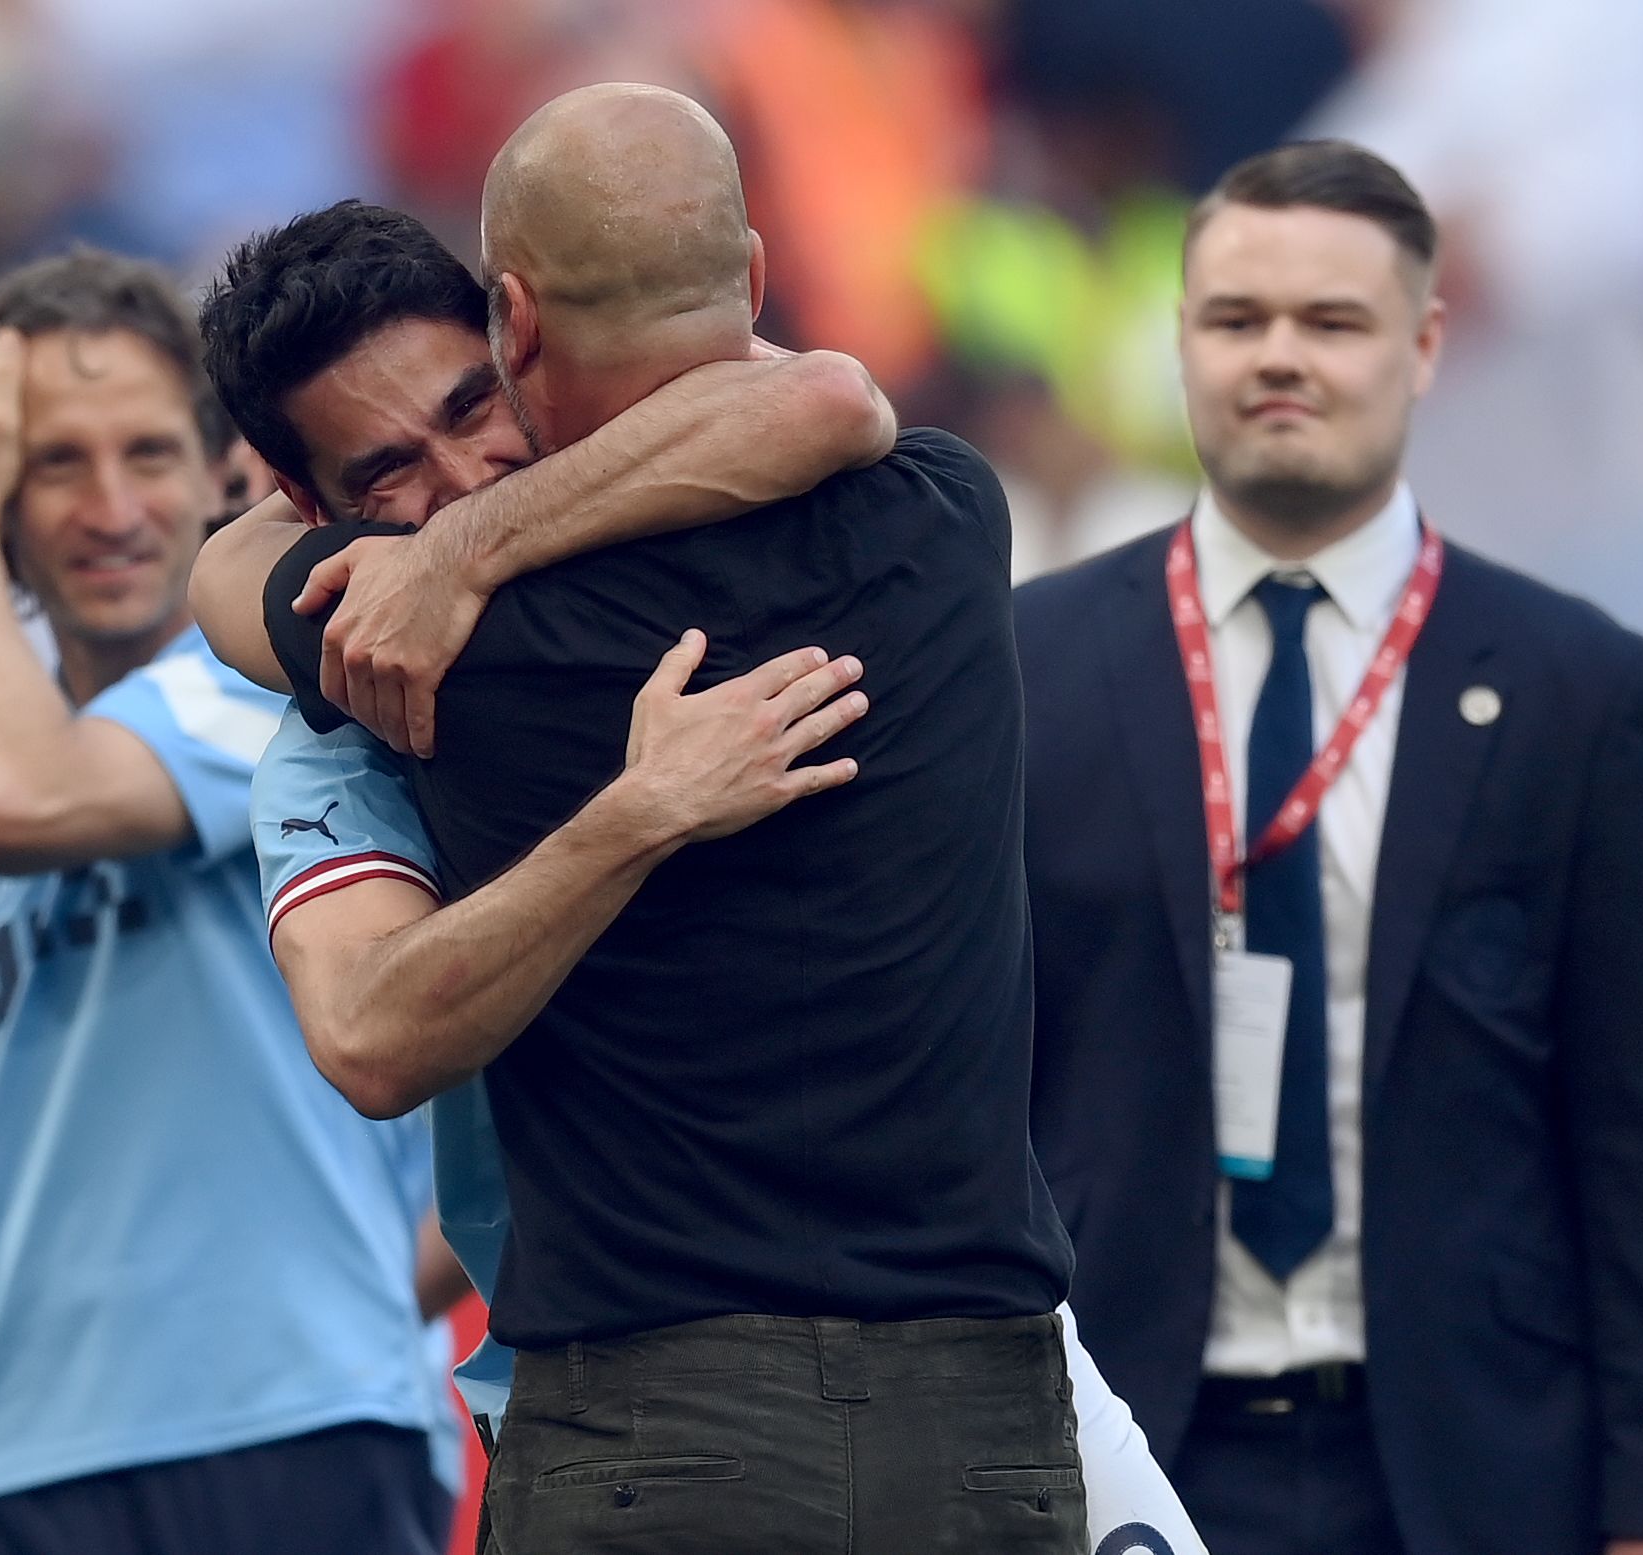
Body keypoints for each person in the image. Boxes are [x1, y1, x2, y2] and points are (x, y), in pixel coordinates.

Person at [193, 196, 1203, 1554]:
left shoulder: (723, 526)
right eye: (391, 473)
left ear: (522, 341)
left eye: (472, 401)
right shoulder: (347, 721)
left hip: (960, 1342)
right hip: (622, 1376)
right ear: (310, 507)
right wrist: (635, 815)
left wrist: (453, 547)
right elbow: (369, 1032)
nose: (466, 468)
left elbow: (828, 399)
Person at [1014, 140, 1643, 1555]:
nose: (1278, 357)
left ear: (1424, 345)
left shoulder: (1579, 692)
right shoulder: (1026, 668)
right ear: (1180, 344)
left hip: (1473, 1468)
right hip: (1114, 1457)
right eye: (1236, 319)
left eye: (1330, 322)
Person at [0, 250, 455, 1555]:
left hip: (285, 1437)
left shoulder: (277, 703)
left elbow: (11, 799)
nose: (109, 504)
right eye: (54, 462)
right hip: (1, 1472)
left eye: (146, 451)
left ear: (220, 478)